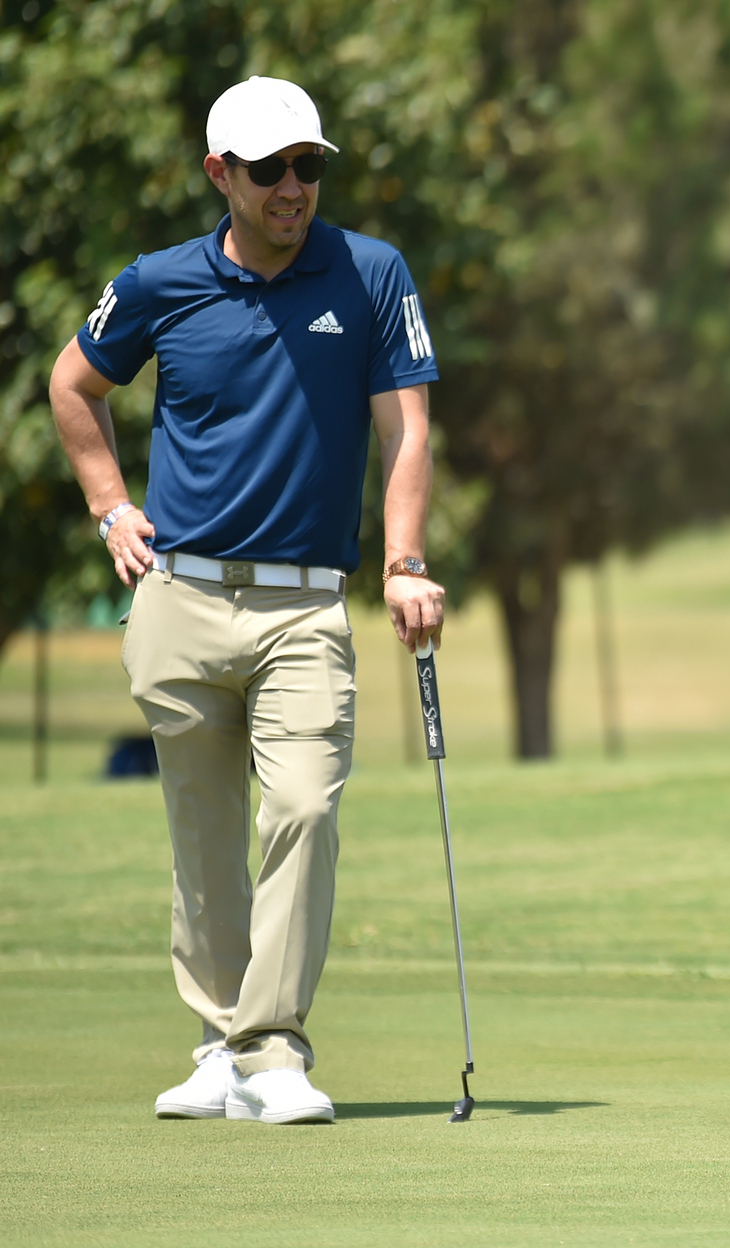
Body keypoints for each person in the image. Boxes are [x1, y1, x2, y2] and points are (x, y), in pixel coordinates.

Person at [47, 76, 445, 1125]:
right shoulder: (159, 284)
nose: (293, 188)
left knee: (305, 809)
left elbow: (405, 430)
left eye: (308, 166)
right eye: (269, 170)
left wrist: (404, 561)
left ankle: (273, 1052)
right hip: (179, 599)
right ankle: (224, 1046)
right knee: (204, 835)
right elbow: (71, 385)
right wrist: (109, 506)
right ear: (220, 173)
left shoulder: (369, 274)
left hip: (304, 608)